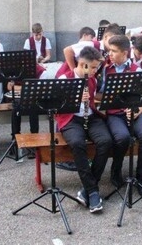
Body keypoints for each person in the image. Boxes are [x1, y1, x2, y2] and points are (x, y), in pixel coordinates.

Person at [57, 47, 111, 213]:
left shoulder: (92, 79)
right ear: (82, 64)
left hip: (90, 117)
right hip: (70, 119)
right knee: (77, 143)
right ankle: (93, 191)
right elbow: (56, 105)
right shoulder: (64, 79)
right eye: (93, 67)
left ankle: (87, 190)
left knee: (105, 141)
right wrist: (75, 98)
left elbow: (94, 101)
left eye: (96, 67)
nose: (96, 70)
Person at [100, 34, 142, 196]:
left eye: (114, 51)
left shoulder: (137, 70)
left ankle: (141, 178)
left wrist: (138, 111)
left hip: (135, 112)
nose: (110, 54)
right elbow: (100, 93)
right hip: (115, 114)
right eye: (109, 50)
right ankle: (116, 171)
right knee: (122, 137)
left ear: (125, 53)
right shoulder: (106, 69)